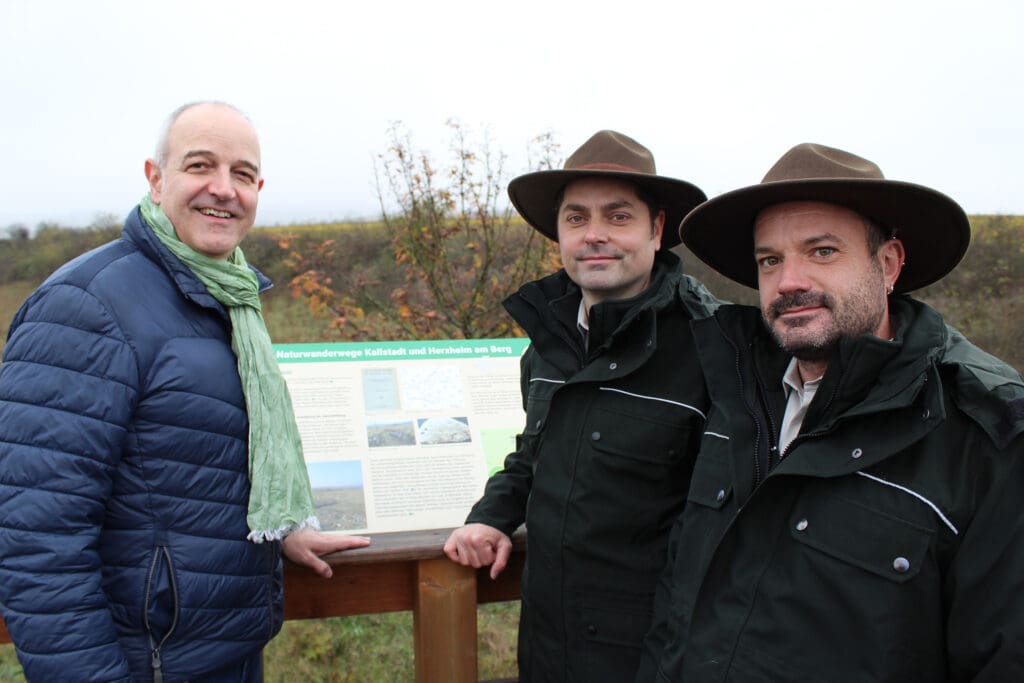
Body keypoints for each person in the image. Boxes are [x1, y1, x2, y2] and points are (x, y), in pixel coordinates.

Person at [0, 101, 371, 682]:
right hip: (145, 661)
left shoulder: (228, 296)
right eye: (201, 166)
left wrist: (282, 530)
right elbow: (36, 534)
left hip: (226, 646)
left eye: (242, 174)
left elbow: (193, 459)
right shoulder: (87, 307)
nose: (223, 189)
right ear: (156, 177)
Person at [638, 143, 1024, 681]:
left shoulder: (987, 433)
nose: (789, 280)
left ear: (887, 264)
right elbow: (679, 600)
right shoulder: (737, 398)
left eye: (821, 251)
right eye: (770, 260)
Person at [443, 130, 720, 681]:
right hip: (547, 643)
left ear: (657, 229)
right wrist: (493, 517)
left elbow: (713, 536)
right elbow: (534, 451)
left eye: (618, 217)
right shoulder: (548, 343)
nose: (594, 235)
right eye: (576, 218)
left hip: (650, 655)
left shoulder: (713, 352)